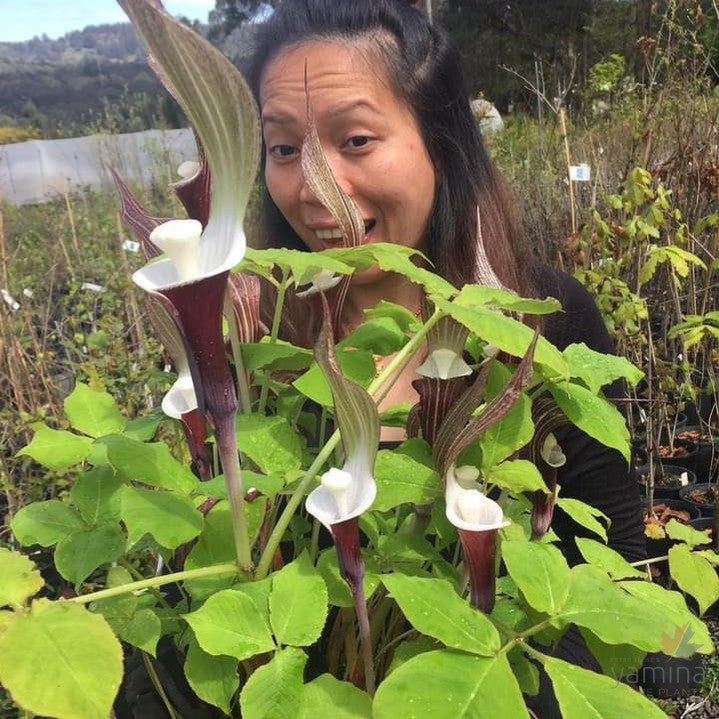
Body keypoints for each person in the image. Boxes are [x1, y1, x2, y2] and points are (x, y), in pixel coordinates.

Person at [244, 1, 647, 716]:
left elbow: (605, 558)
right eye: (282, 148)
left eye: (356, 139)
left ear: (440, 141)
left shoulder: (545, 321)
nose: (315, 187)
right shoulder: (258, 340)